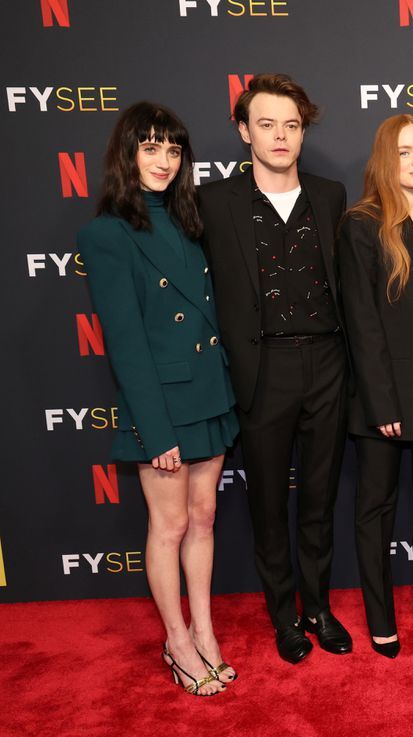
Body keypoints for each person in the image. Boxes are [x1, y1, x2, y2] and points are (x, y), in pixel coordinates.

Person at [78, 102, 239, 695]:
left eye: (172, 150)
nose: (164, 161)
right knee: (168, 527)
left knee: (204, 519)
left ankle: (205, 631)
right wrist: (156, 430)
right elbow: (124, 343)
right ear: (128, 155)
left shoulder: (191, 221)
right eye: (150, 148)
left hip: (209, 394)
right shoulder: (106, 234)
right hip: (163, 407)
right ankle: (175, 640)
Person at [199, 74, 352, 664]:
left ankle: (318, 608)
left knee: (317, 500)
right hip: (262, 370)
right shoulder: (215, 203)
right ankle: (284, 616)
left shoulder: (330, 194)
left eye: (291, 124)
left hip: (329, 364)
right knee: (267, 503)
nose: (281, 135)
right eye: (266, 124)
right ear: (244, 131)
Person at [337, 114, 413, 659]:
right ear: (385, 160)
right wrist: (381, 400)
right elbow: (361, 323)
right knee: (376, 512)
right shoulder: (361, 224)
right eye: (405, 151)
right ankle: (381, 619)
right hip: (382, 398)